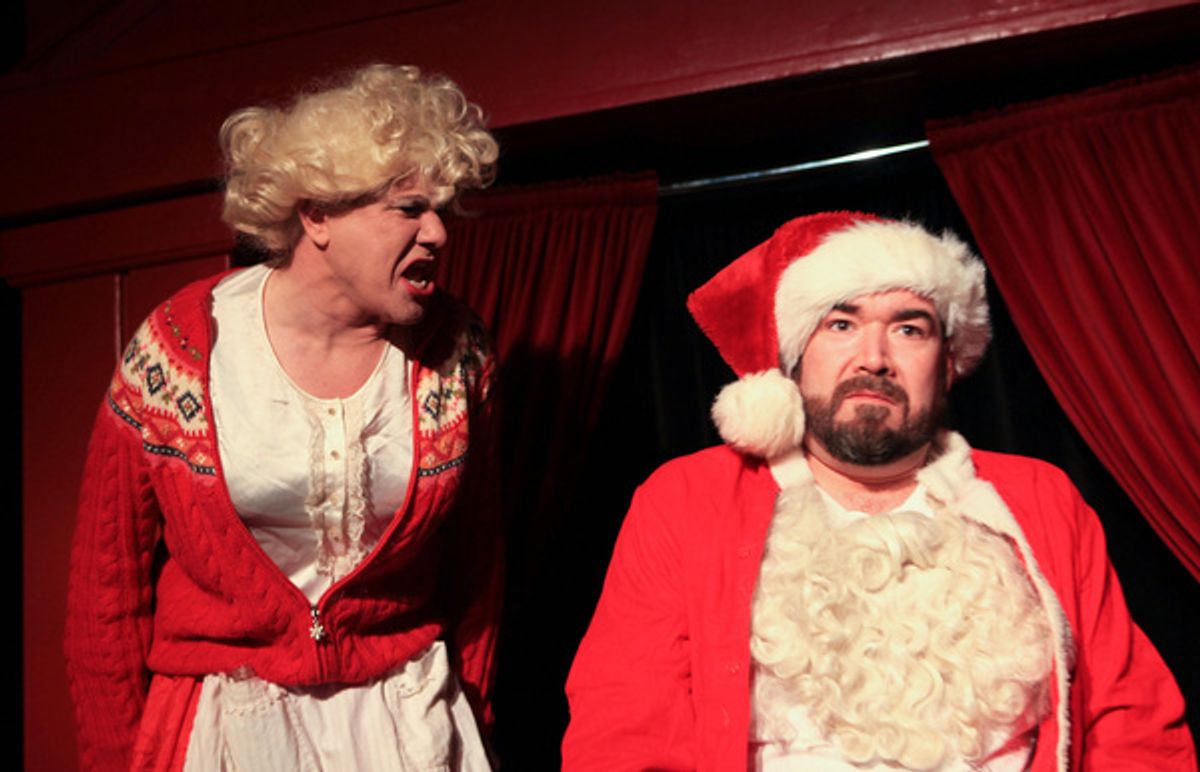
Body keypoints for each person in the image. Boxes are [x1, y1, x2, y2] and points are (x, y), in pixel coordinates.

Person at [562, 212, 1195, 771]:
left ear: (948, 362)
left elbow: (1131, 726)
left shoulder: (1041, 499)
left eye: (909, 329)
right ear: (793, 356)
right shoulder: (686, 500)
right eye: (841, 324)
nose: (874, 358)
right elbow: (625, 735)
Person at [65, 64, 502, 771]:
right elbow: (104, 595)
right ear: (317, 214)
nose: (438, 235)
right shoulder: (178, 346)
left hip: (408, 724)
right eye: (409, 209)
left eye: (442, 212)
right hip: (233, 728)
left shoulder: (459, 351)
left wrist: (475, 721)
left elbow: (478, 570)